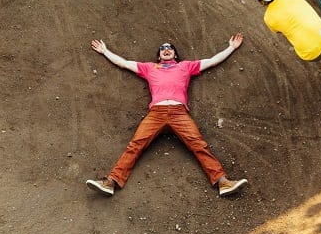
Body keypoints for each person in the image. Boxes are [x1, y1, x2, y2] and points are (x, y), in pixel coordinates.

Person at [86, 34, 248, 198]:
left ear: (175, 54)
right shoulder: (149, 68)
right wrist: (105, 51)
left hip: (179, 113)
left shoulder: (185, 66)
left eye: (169, 47)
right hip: (156, 113)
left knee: (199, 145)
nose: (166, 49)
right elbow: (124, 63)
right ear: (159, 56)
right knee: (135, 145)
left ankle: (223, 182)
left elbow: (212, 61)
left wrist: (231, 48)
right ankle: (111, 182)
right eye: (162, 48)